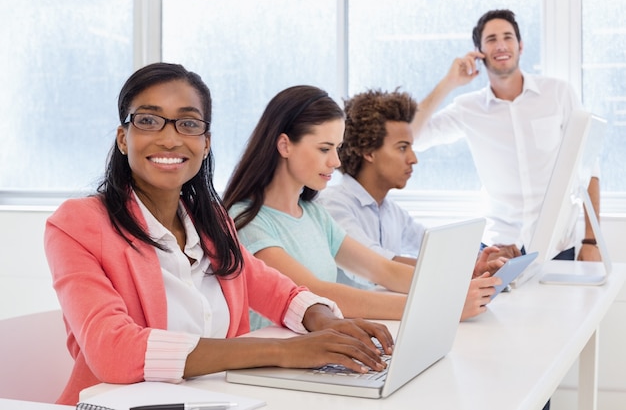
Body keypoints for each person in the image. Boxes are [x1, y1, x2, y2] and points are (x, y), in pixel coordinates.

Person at [44, 63, 394, 405]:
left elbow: (276, 290)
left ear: (206, 142)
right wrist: (283, 351)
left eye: (188, 124)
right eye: (148, 121)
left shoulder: (210, 221)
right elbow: (113, 350)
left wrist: (326, 322)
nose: (169, 139)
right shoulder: (78, 224)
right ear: (124, 138)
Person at [222, 85, 500, 330]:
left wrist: (457, 280)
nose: (336, 162)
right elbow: (314, 294)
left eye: (337, 148)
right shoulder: (247, 222)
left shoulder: (315, 215)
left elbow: (382, 270)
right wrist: (439, 307)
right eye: (324, 149)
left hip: (314, 352)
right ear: (285, 145)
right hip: (273, 365)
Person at [410, 9, 602, 264]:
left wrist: (592, 241)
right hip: (498, 247)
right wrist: (449, 82)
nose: (500, 45)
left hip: (556, 245)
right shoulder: (468, 107)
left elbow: (588, 167)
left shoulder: (558, 93)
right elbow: (414, 138)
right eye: (491, 39)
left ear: (520, 46)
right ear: (479, 52)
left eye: (507, 37)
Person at [316, 89, 504, 290]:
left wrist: (482, 258)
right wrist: (461, 272)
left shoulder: (390, 211)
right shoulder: (333, 205)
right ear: (368, 151)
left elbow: (434, 246)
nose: (414, 159)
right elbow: (378, 264)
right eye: (403, 147)